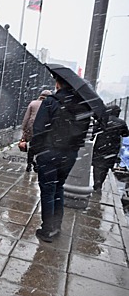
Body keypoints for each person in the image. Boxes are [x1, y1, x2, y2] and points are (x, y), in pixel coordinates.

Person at [30, 76, 91, 243]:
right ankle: (56, 224)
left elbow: (39, 129)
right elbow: (83, 134)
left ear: (59, 84)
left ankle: (47, 229)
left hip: (49, 153)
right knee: (59, 188)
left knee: (48, 190)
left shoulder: (51, 101)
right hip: (69, 154)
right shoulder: (83, 106)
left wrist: (35, 151)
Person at [91, 104, 129, 190]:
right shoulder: (122, 123)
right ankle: (100, 183)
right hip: (113, 148)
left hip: (100, 146)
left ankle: (96, 183)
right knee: (106, 167)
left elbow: (93, 131)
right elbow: (126, 134)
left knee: (97, 165)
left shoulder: (103, 120)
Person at [20, 90, 52, 172]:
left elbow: (26, 117)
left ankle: (29, 164)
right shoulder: (49, 105)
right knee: (40, 148)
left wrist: (24, 128)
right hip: (42, 130)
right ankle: (36, 164)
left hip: (31, 128)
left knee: (31, 147)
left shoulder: (33, 103)